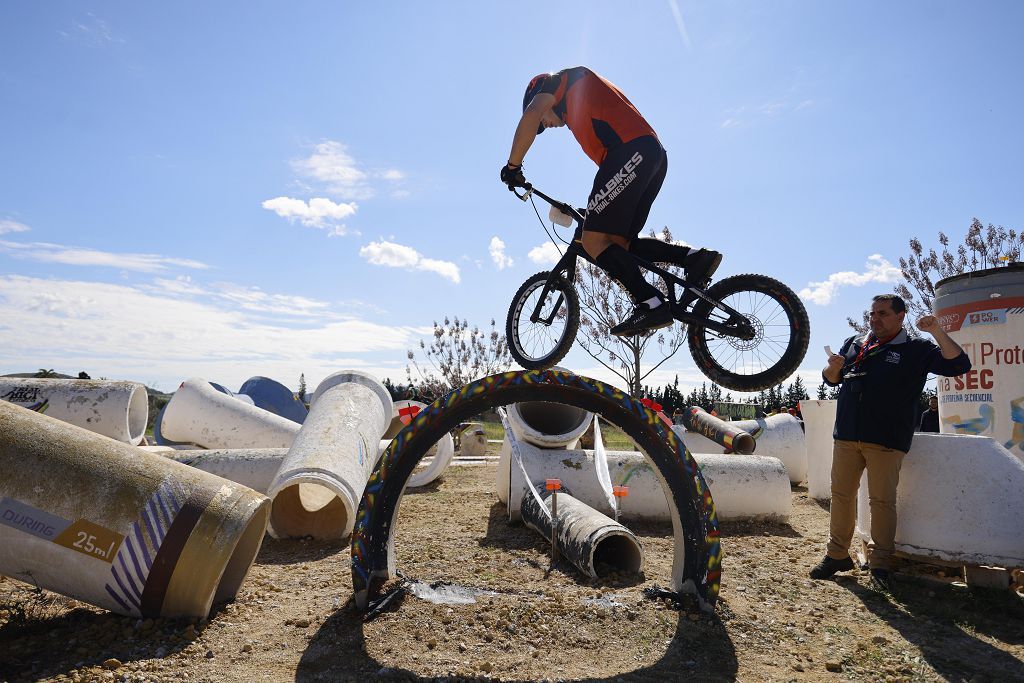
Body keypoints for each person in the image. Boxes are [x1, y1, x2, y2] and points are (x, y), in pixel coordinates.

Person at [500, 67, 721, 337]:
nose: (545, 125)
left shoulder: (558, 82)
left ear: (540, 93)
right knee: (618, 245)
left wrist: (513, 167)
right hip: (652, 156)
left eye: (542, 122)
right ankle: (694, 259)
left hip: (630, 152)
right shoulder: (578, 105)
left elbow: (532, 113)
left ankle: (650, 303)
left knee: (593, 242)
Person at [810, 294, 970, 591]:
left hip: (886, 439)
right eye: (872, 313)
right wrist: (833, 367)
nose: (875, 319)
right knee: (841, 496)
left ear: (900, 316)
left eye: (883, 313)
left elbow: (959, 364)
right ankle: (837, 555)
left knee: (881, 502)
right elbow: (832, 379)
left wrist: (936, 330)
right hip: (846, 435)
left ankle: (881, 564)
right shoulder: (855, 342)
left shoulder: (917, 348)